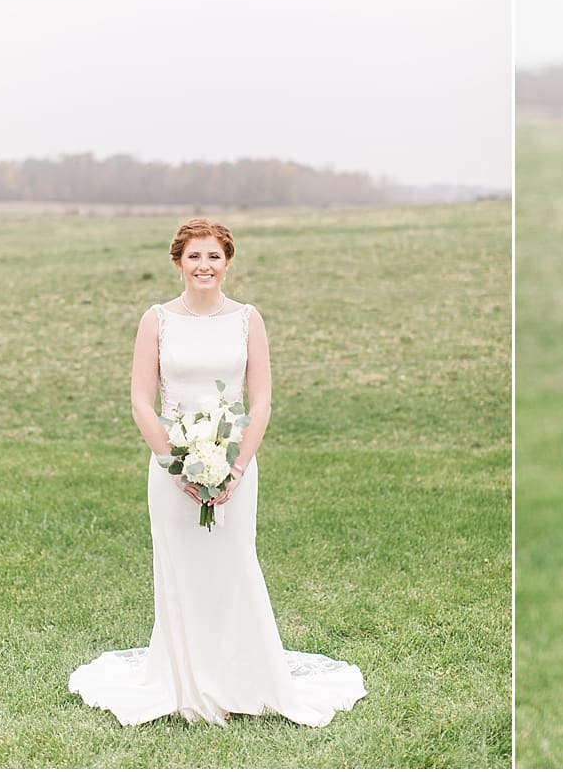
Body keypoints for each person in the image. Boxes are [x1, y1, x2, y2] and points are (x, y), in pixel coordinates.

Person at [69, 218, 366, 727]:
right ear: (178, 263)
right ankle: (184, 683)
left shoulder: (248, 319)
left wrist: (236, 466)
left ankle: (236, 680)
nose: (204, 266)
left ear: (227, 262)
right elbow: (141, 401)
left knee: (232, 571)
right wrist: (174, 462)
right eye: (194, 257)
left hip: (234, 465)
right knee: (180, 574)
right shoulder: (156, 319)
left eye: (213, 257)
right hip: (171, 469)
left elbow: (263, 398)